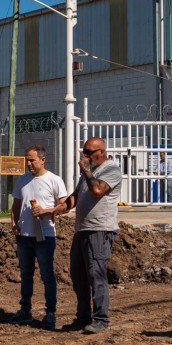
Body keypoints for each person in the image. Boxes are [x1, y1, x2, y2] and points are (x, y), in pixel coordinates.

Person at [63, 137, 122, 334]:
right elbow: (77, 195)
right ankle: (83, 317)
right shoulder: (88, 173)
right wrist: (58, 208)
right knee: (78, 276)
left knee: (96, 274)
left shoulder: (111, 169)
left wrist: (87, 170)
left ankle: (101, 319)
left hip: (99, 229)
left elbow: (97, 190)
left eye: (89, 152)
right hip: (82, 230)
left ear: (101, 152)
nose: (85, 156)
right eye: (84, 152)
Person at [8, 145, 68, 330]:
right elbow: (16, 205)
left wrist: (46, 211)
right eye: (27, 159)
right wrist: (14, 223)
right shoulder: (22, 181)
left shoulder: (54, 180)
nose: (28, 163)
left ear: (42, 160)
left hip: (45, 235)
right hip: (24, 236)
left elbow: (64, 205)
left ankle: (51, 312)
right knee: (26, 275)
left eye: (32, 160)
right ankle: (25, 310)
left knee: (47, 275)